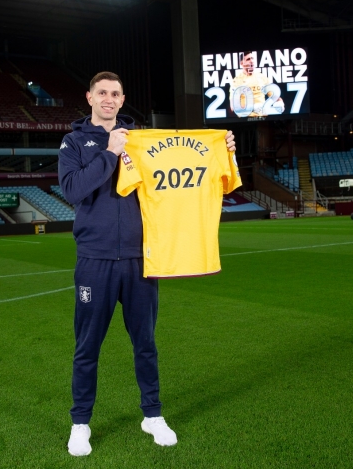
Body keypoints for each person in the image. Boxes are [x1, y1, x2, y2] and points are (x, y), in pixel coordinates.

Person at [58, 71, 236, 457]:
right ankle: (80, 423)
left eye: (115, 93)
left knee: (145, 344)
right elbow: (72, 190)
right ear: (89, 97)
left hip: (141, 259)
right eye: (102, 92)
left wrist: (223, 150)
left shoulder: (142, 140)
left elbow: (184, 162)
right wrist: (109, 152)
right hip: (94, 260)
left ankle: (152, 415)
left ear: (123, 100)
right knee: (87, 346)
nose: (109, 98)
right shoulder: (73, 142)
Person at [229, 51, 285, 117]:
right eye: (248, 59)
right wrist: (253, 108)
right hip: (245, 120)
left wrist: (280, 103)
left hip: (263, 119)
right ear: (241, 63)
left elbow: (275, 97)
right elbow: (233, 107)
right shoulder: (236, 81)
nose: (251, 61)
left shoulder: (262, 77)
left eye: (252, 58)